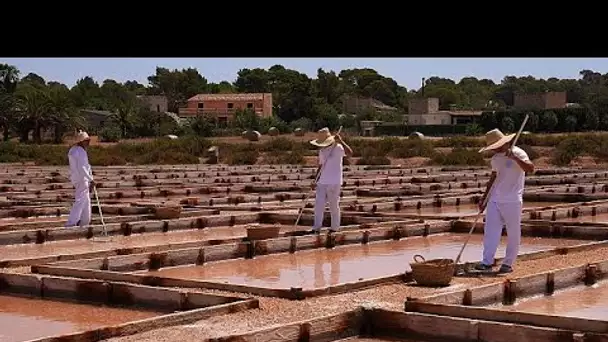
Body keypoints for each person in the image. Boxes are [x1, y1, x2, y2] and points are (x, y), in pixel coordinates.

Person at [475, 128, 535, 274]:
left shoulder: (518, 153)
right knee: (491, 231)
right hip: (495, 199)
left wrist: (514, 158)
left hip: (512, 200)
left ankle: (508, 263)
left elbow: (530, 168)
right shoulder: (495, 159)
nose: (494, 150)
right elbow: (493, 177)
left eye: (496, 146)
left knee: (513, 232)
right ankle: (487, 262)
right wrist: (484, 197)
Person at [309, 127, 353, 234]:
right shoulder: (322, 151)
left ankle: (335, 228)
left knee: (333, 205)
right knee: (319, 204)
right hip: (322, 181)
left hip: (334, 181)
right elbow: (320, 166)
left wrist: (341, 141)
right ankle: (316, 228)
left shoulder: (338, 148)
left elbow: (350, 153)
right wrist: (315, 180)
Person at [66, 130, 94, 228]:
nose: (88, 143)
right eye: (86, 141)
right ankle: (71, 223)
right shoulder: (80, 151)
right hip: (82, 179)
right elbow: (82, 168)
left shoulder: (73, 150)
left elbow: (87, 166)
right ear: (81, 141)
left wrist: (90, 177)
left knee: (86, 200)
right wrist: (91, 179)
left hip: (77, 178)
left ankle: (85, 222)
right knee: (81, 200)